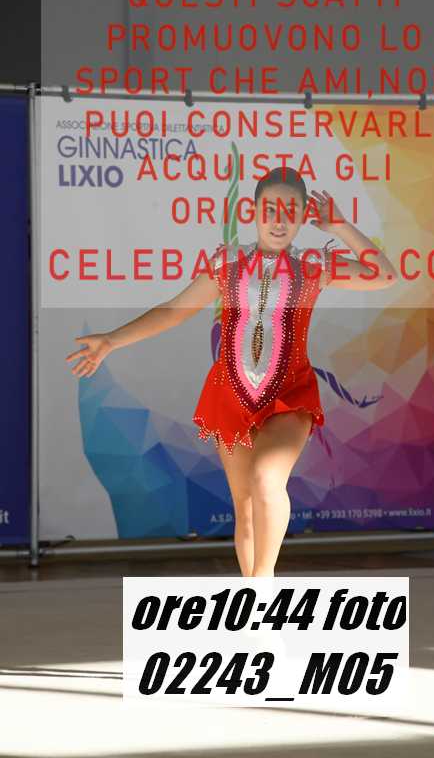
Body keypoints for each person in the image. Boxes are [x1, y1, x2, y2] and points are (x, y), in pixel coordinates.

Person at [66, 167, 398, 577]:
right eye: (270, 209)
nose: (279, 220)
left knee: (266, 478)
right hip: (231, 397)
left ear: (302, 217)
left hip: (289, 395)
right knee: (245, 507)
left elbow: (384, 275)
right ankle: (254, 594)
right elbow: (174, 311)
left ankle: (262, 588)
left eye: (290, 211)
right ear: (254, 211)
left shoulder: (314, 266)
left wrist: (341, 226)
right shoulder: (228, 262)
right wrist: (111, 340)